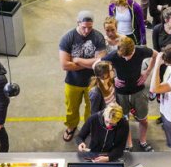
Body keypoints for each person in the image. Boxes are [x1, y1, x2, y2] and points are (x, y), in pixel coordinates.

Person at [59, 11, 107, 142]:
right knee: (71, 108)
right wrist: (91, 63)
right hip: (72, 82)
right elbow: (64, 65)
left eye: (90, 27)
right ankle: (71, 127)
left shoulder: (98, 37)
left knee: (91, 109)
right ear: (78, 23)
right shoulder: (67, 38)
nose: (87, 31)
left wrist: (77, 60)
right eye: (84, 27)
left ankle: (89, 127)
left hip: (92, 82)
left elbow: (100, 62)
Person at [103, 36, 157, 152]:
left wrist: (147, 73)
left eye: (129, 56)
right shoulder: (113, 55)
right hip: (121, 94)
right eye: (124, 56)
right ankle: (129, 144)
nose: (127, 59)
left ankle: (143, 141)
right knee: (124, 120)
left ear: (134, 49)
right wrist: (112, 78)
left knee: (143, 120)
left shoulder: (141, 50)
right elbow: (98, 66)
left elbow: (156, 55)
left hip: (138, 91)